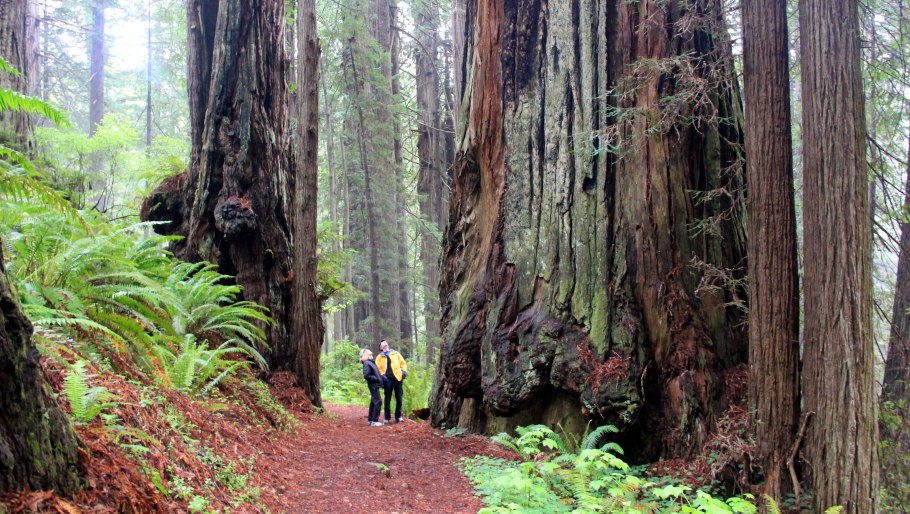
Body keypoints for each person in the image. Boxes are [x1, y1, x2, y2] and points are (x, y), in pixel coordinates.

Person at [374, 339, 408, 423]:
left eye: (385, 342)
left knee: (399, 398)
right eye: (382, 343)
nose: (384, 343)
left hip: (398, 378)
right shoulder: (379, 357)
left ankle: (398, 416)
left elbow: (403, 363)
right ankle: (387, 417)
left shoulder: (395, 353)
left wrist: (404, 372)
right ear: (380, 347)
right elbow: (377, 369)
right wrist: (382, 376)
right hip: (387, 380)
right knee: (387, 399)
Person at [360, 348, 383, 427]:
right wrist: (376, 379)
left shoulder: (370, 362)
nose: (370, 351)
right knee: (378, 401)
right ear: (365, 354)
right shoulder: (367, 363)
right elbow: (366, 375)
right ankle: (374, 421)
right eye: (367, 350)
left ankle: (370, 420)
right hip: (373, 384)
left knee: (374, 402)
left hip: (374, 384)